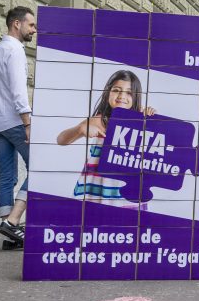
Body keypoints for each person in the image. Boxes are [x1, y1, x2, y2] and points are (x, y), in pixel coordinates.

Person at [56, 69, 155, 204]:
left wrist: (151, 122)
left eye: (129, 93)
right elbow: (61, 140)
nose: (122, 96)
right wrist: (80, 129)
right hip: (95, 193)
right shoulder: (99, 120)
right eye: (116, 90)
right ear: (108, 92)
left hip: (127, 199)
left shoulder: (141, 121)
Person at [0, 6, 37, 245]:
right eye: (31, 25)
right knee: (40, 168)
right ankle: (13, 221)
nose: (34, 30)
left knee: (6, 176)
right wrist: (27, 122)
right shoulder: (15, 50)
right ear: (17, 24)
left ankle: (10, 235)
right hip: (15, 121)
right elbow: (18, 91)